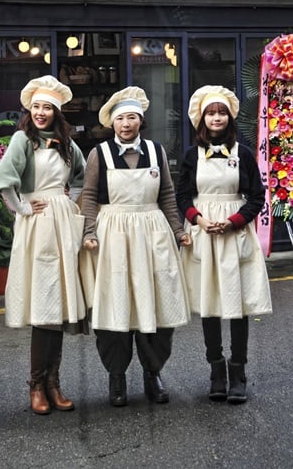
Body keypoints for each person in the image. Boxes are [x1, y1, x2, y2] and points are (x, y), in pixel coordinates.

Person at [80, 87, 191, 407]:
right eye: (120, 119)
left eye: (132, 118)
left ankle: (152, 372)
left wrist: (178, 230)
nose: (126, 124)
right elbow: (89, 196)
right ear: (111, 123)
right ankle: (116, 375)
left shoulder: (156, 152)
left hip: (152, 233)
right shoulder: (99, 154)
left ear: (141, 121)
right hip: (113, 235)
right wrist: (89, 231)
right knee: (115, 305)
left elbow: (167, 194)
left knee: (156, 304)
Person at [0, 75, 87, 415]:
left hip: (61, 223)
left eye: (47, 107)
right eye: (36, 107)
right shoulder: (23, 140)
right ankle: (36, 383)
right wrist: (21, 207)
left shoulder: (67, 144)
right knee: (44, 304)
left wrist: (70, 202)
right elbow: (4, 179)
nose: (41, 113)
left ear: (57, 112)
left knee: (57, 305)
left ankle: (53, 382)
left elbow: (81, 176)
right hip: (37, 224)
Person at [176, 85, 272, 404]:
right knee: (210, 304)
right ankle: (216, 370)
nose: (216, 118)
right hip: (204, 232)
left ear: (229, 118)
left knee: (237, 304)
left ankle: (238, 372)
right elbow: (182, 196)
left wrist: (234, 221)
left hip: (234, 233)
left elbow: (257, 196)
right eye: (210, 113)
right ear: (201, 119)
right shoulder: (191, 156)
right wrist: (199, 220)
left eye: (221, 113)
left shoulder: (242, 154)